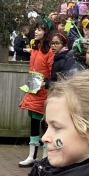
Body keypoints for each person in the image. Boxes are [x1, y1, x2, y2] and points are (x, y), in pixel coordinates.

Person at [19, 26, 55, 167]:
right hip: (33, 90)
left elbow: (52, 72)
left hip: (44, 92)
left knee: (45, 124)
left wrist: (45, 83)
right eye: (36, 29)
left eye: (40, 29)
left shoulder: (49, 52)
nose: (36, 32)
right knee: (33, 123)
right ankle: (31, 155)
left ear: (46, 32)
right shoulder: (34, 49)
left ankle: (45, 156)